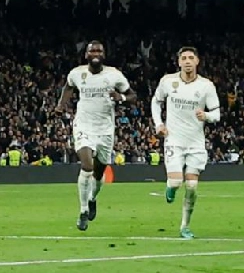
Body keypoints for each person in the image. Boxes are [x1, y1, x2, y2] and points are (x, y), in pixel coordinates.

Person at [55, 40, 137, 231]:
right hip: (84, 125)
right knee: (87, 166)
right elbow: (68, 87)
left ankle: (92, 198)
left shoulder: (114, 75)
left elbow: (133, 95)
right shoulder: (77, 73)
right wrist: (61, 105)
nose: (96, 53)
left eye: (99, 50)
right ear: (86, 55)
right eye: (92, 51)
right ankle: (83, 211)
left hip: (105, 129)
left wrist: (122, 98)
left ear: (103, 54)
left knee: (99, 172)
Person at [151, 46, 220, 239]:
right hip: (174, 140)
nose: (187, 61)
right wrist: (159, 124)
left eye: (191, 58)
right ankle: (170, 189)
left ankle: (185, 226)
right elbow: (156, 102)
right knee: (175, 181)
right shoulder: (168, 81)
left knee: (192, 187)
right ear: (179, 62)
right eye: (184, 58)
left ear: (197, 61)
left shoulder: (206, 86)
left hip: (196, 143)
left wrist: (205, 115)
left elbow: (217, 114)